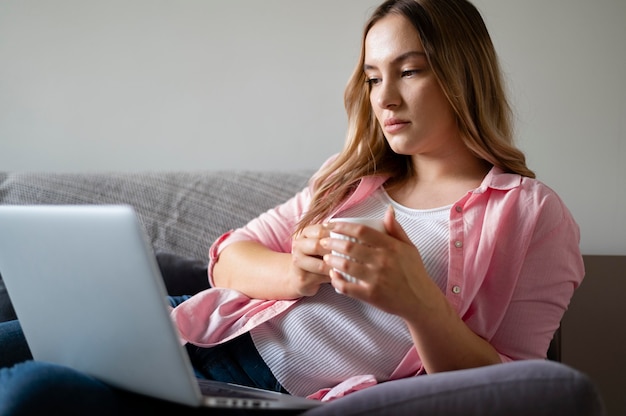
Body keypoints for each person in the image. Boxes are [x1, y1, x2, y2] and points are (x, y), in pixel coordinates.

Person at [0, 0, 585, 413]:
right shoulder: (350, 176)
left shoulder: (529, 215)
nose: (385, 98)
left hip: (257, 387)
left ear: (463, 76)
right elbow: (225, 258)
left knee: (32, 394)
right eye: (373, 77)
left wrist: (418, 304)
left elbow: (520, 390)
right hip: (192, 324)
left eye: (409, 72)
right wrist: (294, 272)